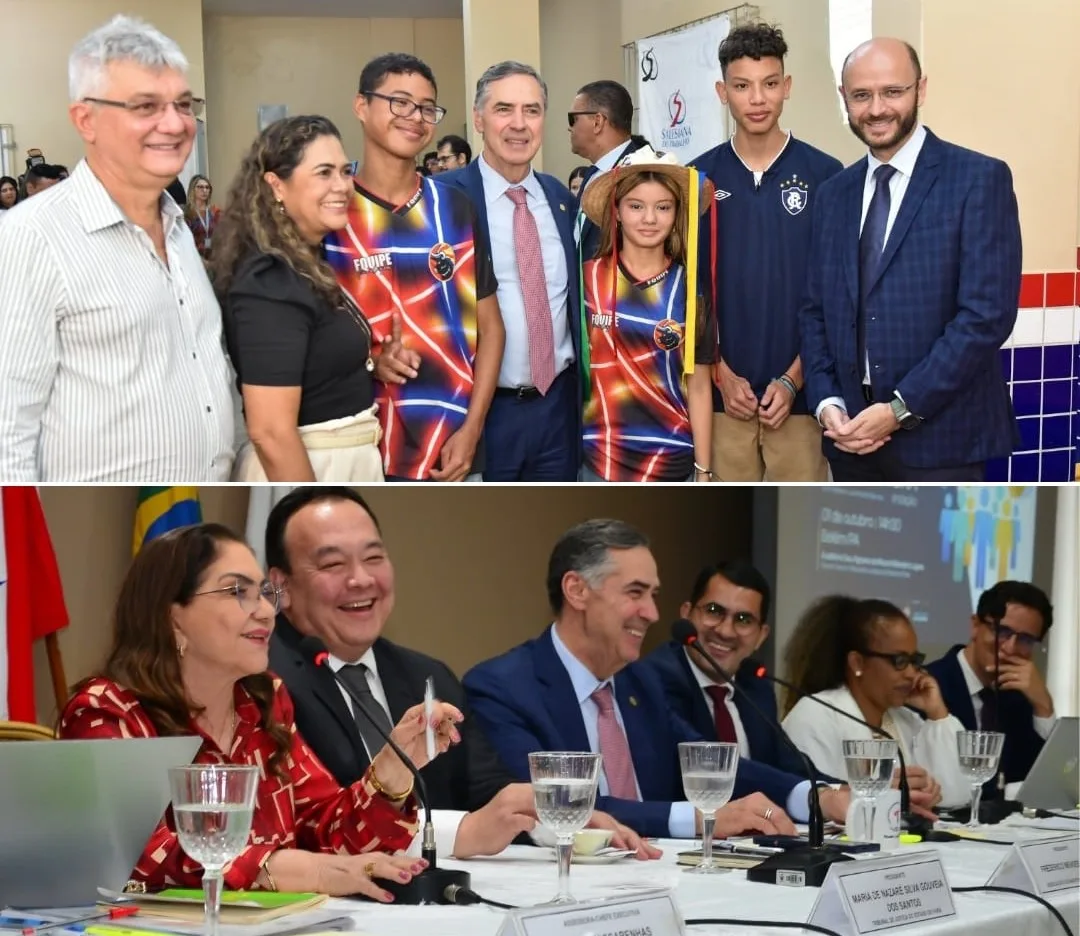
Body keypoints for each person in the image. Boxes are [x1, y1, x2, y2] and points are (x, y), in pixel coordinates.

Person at [59, 523, 465, 901]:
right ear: (173, 617)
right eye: (237, 592)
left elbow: (325, 834)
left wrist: (393, 768)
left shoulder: (262, 703)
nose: (267, 612)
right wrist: (289, 870)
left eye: (264, 593)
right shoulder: (106, 711)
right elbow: (139, 856)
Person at [265, 487, 657, 859]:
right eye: (333, 564)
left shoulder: (426, 675)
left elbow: (487, 792)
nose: (362, 580)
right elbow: (309, 828)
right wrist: (463, 833)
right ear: (281, 586)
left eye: (373, 558)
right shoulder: (261, 682)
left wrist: (557, 821)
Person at [464, 519, 852, 839]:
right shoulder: (502, 687)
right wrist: (699, 819)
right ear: (577, 590)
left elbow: (705, 761)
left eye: (653, 595)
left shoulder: (639, 683)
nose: (651, 613)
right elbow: (551, 805)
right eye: (636, 593)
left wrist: (815, 796)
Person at [0, 15, 234, 481]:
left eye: (184, 104)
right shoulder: (31, 236)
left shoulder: (178, 226)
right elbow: (8, 433)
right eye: (146, 106)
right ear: (85, 119)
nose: (175, 124)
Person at [800, 38, 1021, 481]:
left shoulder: (978, 179)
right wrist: (827, 403)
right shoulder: (834, 195)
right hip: (850, 441)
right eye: (861, 95)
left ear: (920, 89)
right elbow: (815, 311)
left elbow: (985, 317)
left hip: (943, 443)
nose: (877, 108)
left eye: (892, 92)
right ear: (844, 99)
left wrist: (900, 408)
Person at [324, 53, 505, 482]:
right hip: (359, 446)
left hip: (453, 448)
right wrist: (368, 361)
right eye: (400, 102)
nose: (415, 117)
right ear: (361, 106)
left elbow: (492, 328)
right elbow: (303, 340)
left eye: (427, 108)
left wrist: (473, 429)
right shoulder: (330, 210)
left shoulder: (456, 207)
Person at [690, 23, 841, 481]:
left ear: (786, 87)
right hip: (721, 403)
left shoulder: (828, 176)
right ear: (722, 91)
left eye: (769, 84)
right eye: (742, 86)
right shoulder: (698, 178)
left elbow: (836, 296)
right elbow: (690, 291)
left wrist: (795, 378)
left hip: (800, 404)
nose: (757, 99)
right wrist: (718, 373)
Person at [212, 116, 396, 483]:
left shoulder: (307, 261)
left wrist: (374, 363)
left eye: (345, 171)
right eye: (324, 173)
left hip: (343, 461)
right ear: (276, 185)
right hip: (310, 468)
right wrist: (314, 501)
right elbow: (271, 432)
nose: (342, 186)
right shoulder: (269, 280)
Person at [439, 61, 580, 481]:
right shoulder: (444, 200)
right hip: (477, 413)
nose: (519, 124)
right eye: (504, 109)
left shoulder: (560, 199)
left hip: (559, 410)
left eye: (532, 110)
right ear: (479, 119)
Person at [577, 146, 715, 482]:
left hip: (671, 458)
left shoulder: (690, 287)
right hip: (598, 459)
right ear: (618, 211)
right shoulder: (585, 279)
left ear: (676, 213)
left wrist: (704, 469)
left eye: (663, 207)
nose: (650, 219)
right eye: (636, 206)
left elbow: (698, 387)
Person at [641, 560, 826, 780]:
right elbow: (708, 770)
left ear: (761, 636)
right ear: (686, 614)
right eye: (714, 611)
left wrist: (840, 792)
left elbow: (792, 766)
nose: (726, 631)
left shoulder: (755, 687)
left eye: (743, 619)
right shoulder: (656, 679)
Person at [781, 595, 965, 808]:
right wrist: (885, 794)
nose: (911, 673)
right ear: (857, 662)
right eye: (899, 661)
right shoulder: (815, 715)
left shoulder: (906, 719)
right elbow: (815, 801)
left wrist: (937, 713)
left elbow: (958, 795)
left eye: (914, 661)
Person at [925, 581, 1056, 789]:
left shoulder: (1021, 696)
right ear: (975, 626)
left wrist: (1044, 707)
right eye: (1002, 631)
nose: (1010, 647)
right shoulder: (929, 685)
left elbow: (1043, 785)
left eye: (1025, 639)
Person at [568, 80, 650, 261]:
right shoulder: (592, 173)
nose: (570, 127)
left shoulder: (642, 173)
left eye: (573, 119)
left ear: (597, 122)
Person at [184, 173, 219, 259]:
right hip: (193, 257)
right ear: (193, 189)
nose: (204, 190)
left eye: (207, 187)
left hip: (213, 257)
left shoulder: (215, 212)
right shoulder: (187, 213)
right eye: (200, 187)